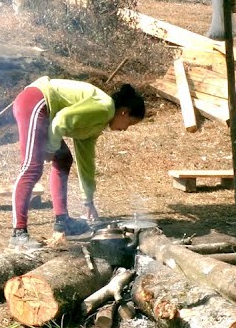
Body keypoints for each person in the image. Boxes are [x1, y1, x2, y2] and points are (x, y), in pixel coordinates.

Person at [9, 78, 145, 250]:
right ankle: (18, 233)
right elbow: (62, 120)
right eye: (130, 124)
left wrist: (88, 202)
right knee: (32, 167)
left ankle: (62, 221)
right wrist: (51, 148)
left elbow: (86, 162)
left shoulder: (96, 124)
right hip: (37, 100)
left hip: (46, 111)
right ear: (124, 112)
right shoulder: (105, 107)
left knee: (64, 160)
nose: (125, 129)